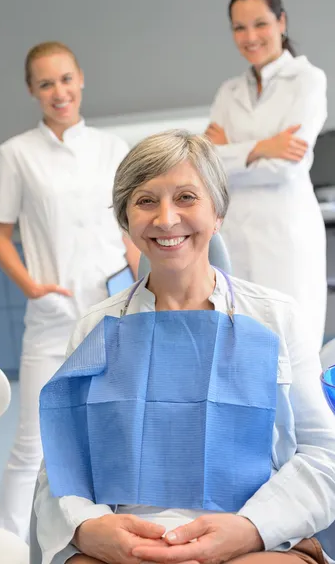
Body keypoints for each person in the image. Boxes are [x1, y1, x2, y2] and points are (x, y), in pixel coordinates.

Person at [35, 130, 335, 564]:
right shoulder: (96, 328)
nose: (166, 219)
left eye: (187, 197)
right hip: (130, 544)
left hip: (252, 537)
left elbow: (323, 455)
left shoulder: (276, 318)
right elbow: (62, 461)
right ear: (126, 220)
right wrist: (88, 526)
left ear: (218, 213)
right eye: (146, 201)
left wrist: (251, 529)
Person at [0, 41, 139, 540]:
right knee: (33, 444)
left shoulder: (113, 149)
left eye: (66, 79)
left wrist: (145, 287)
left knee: (115, 430)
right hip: (52, 317)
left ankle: (114, 534)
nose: (59, 92)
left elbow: (129, 231)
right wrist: (31, 284)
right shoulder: (16, 154)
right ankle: (5, 545)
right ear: (32, 90)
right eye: (46, 83)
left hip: (114, 310)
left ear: (81, 79)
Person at [205, 0, 327, 352]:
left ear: (281, 21)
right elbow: (209, 163)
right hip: (237, 236)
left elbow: (285, 168)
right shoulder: (229, 91)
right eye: (239, 28)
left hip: (286, 235)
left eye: (260, 24)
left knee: (295, 351)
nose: (250, 36)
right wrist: (264, 147)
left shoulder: (307, 80)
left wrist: (234, 149)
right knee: (245, 351)